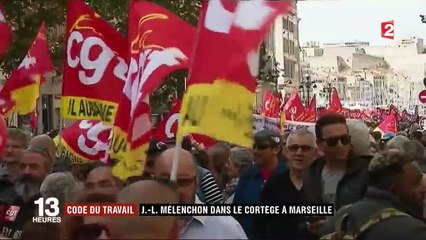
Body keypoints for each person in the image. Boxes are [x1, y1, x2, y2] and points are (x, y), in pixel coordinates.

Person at [319, 151, 426, 240]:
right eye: (416, 183)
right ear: (395, 190)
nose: (423, 187)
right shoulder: (412, 231)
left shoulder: (343, 216)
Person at [154, 147, 247, 239]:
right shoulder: (141, 226)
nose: (175, 190)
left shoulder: (225, 229)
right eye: (165, 181)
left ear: (197, 182)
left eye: (183, 181)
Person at [305, 114, 369, 233]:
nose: (340, 145)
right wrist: (307, 225)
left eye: (345, 139)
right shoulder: (311, 173)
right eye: (332, 141)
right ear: (319, 144)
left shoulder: (366, 172)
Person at [253, 129, 318, 240]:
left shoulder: (322, 183)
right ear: (286, 152)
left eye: (306, 148)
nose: (299, 153)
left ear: (315, 153)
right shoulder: (275, 182)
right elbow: (259, 223)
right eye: (294, 148)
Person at [233, 129, 287, 238]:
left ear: (276, 149)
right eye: (255, 147)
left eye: (261, 147)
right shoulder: (247, 175)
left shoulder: (288, 176)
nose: (256, 151)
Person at [0, 146, 54, 239]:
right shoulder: (7, 198)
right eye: (22, 166)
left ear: (48, 171)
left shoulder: (54, 204)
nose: (26, 171)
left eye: (34, 167)